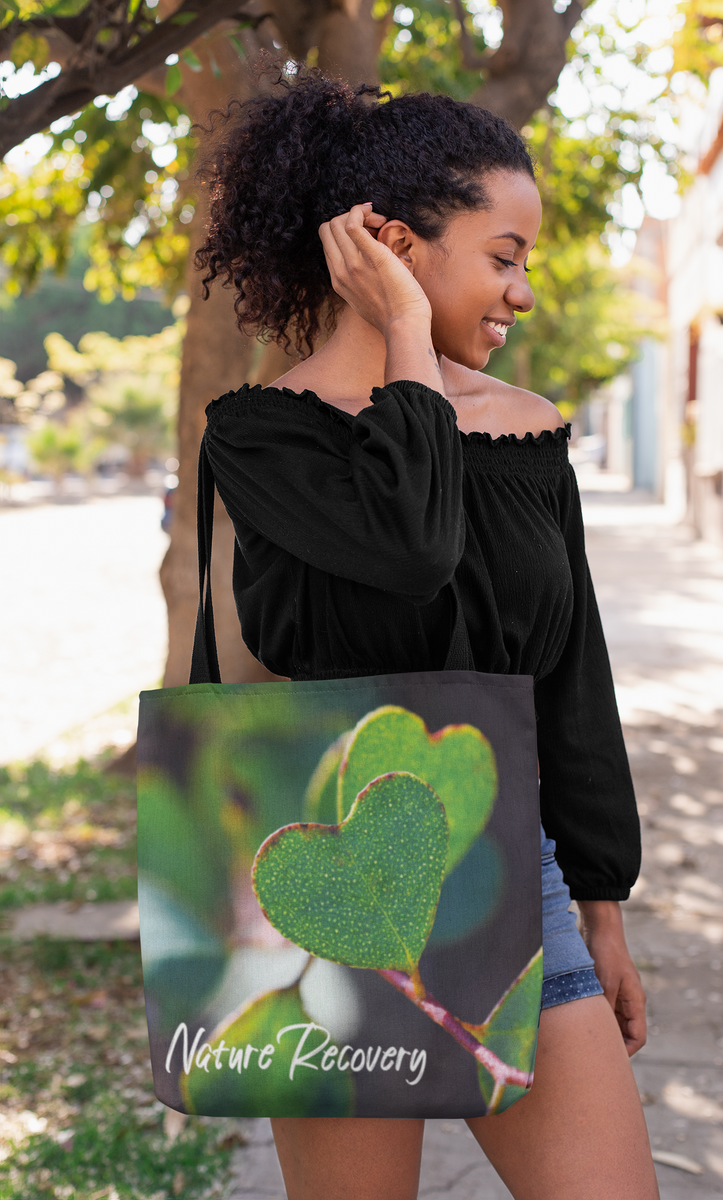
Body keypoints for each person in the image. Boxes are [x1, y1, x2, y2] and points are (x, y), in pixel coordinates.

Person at [195, 66, 659, 1200]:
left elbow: (571, 682)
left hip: (516, 873)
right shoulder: (264, 443)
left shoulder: (528, 434)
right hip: (326, 889)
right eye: (503, 257)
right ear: (391, 245)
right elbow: (409, 549)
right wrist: (406, 331)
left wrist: (600, 909)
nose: (523, 293)